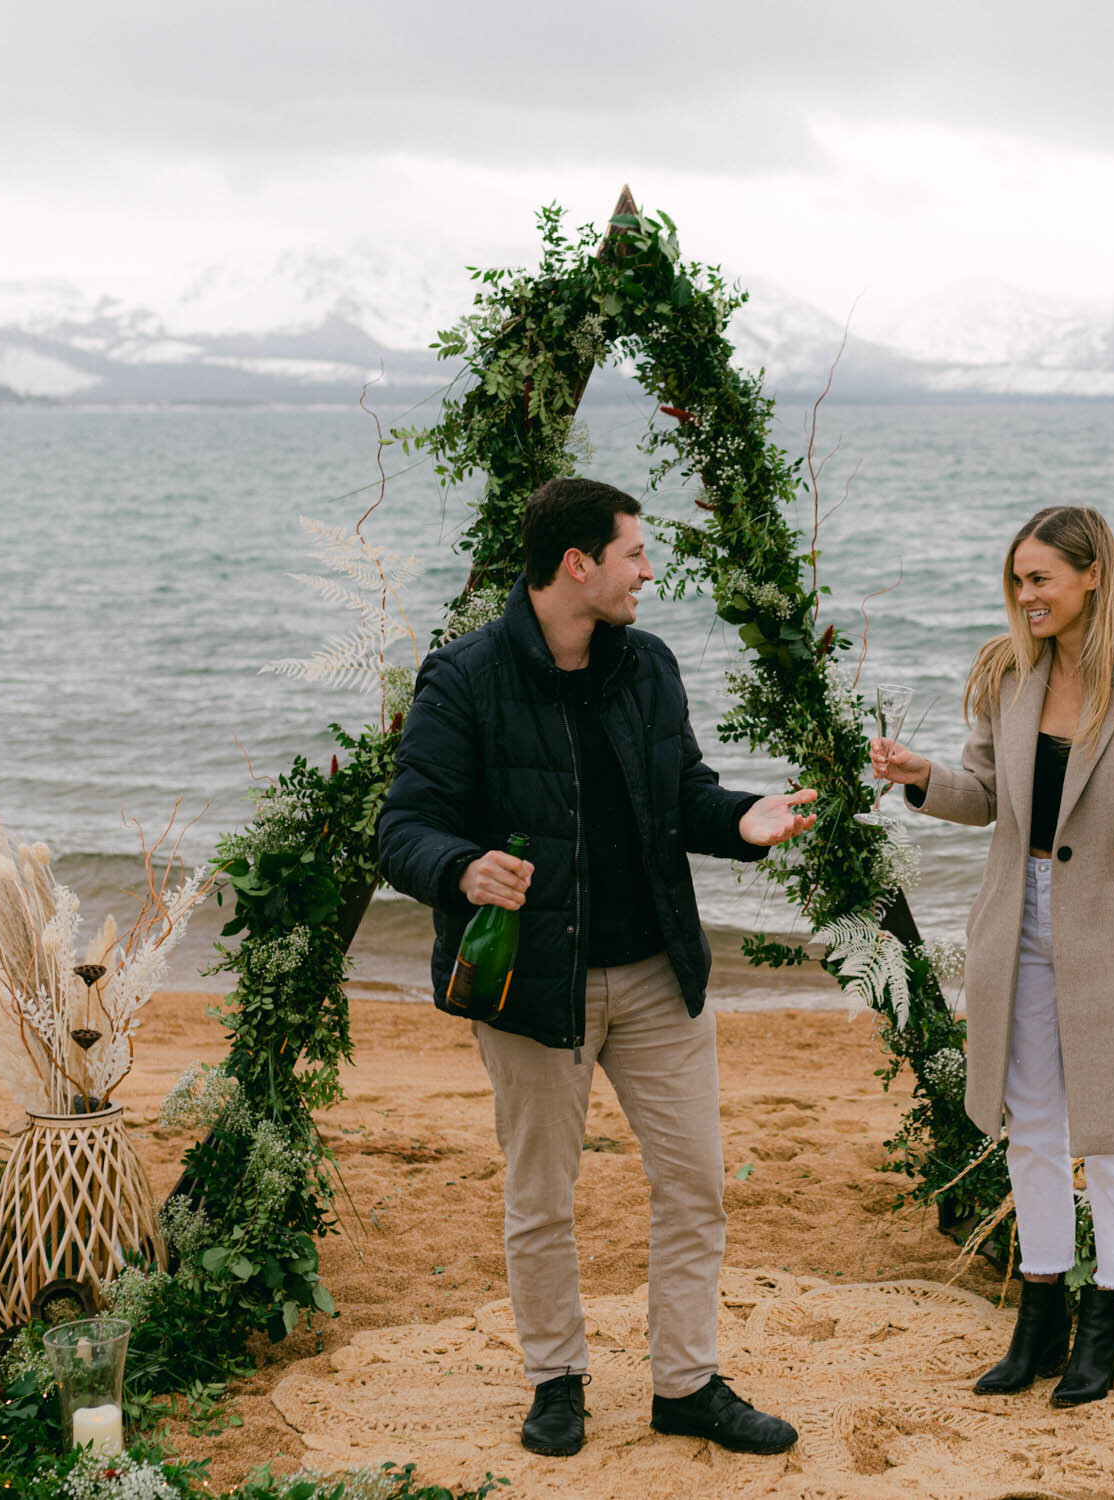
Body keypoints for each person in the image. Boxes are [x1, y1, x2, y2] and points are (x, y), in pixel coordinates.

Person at [377, 476, 819, 1459]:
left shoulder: (648, 667)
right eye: (633, 553)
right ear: (578, 564)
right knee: (542, 1198)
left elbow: (687, 795)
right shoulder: (463, 679)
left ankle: (688, 1384)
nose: (647, 571)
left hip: (660, 975)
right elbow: (401, 829)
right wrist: (459, 867)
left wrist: (742, 821)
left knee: (696, 1184)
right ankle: (556, 1381)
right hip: (535, 990)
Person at [871, 504, 1114, 1406]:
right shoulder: (1005, 671)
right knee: (1035, 1129)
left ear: (1092, 575)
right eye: (1017, 579)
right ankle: (1038, 1318)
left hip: (1105, 931)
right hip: (1012, 930)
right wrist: (922, 777)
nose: (1025, 595)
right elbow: (983, 799)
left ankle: (1106, 1324)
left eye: (1040, 578)